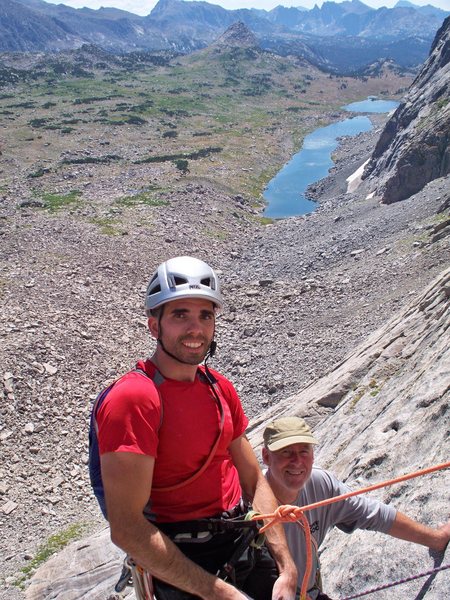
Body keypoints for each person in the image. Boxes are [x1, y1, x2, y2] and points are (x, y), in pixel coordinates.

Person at [89, 256, 297, 600]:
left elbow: (252, 479)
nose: (196, 329)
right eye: (180, 314)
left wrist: (286, 566)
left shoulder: (219, 388)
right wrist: (220, 594)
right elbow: (127, 530)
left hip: (242, 544)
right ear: (154, 326)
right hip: (182, 563)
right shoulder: (135, 399)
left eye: (206, 315)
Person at [262, 416, 450, 600]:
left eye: (304, 451)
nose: (296, 461)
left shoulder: (321, 485)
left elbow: (375, 515)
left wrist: (436, 539)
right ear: (265, 457)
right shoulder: (247, 502)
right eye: (285, 452)